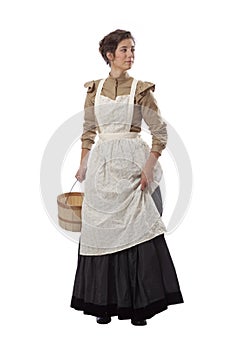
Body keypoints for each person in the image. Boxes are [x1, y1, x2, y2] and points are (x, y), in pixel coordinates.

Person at [70, 29, 184, 326]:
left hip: (133, 166)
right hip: (102, 168)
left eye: (132, 49)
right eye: (124, 50)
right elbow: (88, 132)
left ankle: (138, 307)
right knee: (101, 231)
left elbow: (159, 133)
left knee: (136, 232)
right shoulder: (94, 89)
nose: (130, 55)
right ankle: (104, 304)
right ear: (110, 55)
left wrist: (148, 167)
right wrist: (83, 165)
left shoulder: (141, 89)